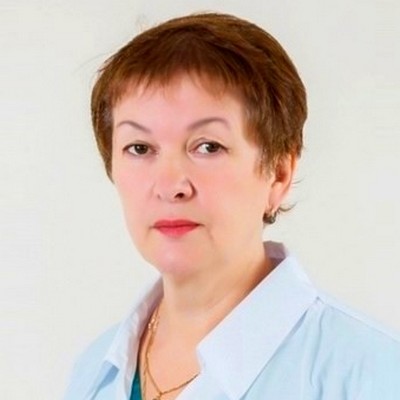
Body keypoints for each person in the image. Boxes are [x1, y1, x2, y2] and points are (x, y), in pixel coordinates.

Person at [64, 12, 400, 400]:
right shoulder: (94, 372)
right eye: (139, 148)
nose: (171, 186)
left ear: (278, 174)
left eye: (208, 147)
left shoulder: (369, 372)